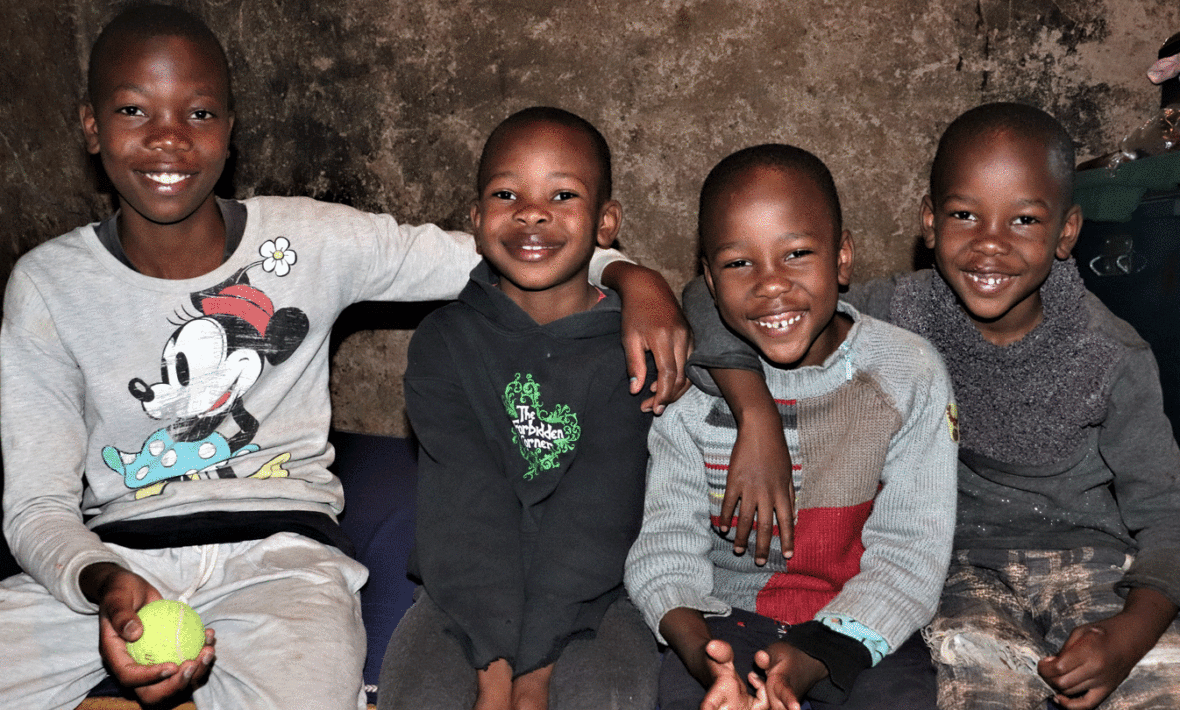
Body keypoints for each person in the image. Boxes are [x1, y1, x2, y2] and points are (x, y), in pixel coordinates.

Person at [0, 7, 689, 710]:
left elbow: (506, 250)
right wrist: (101, 580)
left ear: (230, 131)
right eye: (132, 110)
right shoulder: (48, 286)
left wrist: (633, 278)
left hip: (279, 562)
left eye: (199, 112)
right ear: (91, 125)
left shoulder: (310, 240)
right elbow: (35, 505)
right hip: (110, 562)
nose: (168, 138)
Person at [683, 103, 1180, 710]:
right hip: (955, 570)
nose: (989, 245)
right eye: (965, 215)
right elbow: (712, 298)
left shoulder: (1111, 354)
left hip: (1094, 565)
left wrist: (1132, 633)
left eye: (1024, 220)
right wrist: (755, 414)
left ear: (1067, 232)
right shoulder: (898, 315)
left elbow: (1167, 511)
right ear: (929, 221)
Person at [624, 143, 959, 710]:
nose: (771, 284)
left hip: (858, 623)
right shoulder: (688, 391)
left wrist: (813, 657)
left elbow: (910, 555)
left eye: (797, 253)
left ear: (843, 256)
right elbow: (665, 551)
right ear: (707, 278)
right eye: (738, 263)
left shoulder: (906, 373)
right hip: (721, 626)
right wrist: (707, 660)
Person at [378, 106, 662, 710]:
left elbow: (596, 519)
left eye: (563, 194)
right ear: (478, 222)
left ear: (606, 223)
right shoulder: (444, 343)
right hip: (464, 596)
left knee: (607, 696)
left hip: (601, 595)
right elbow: (465, 513)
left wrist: (533, 679)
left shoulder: (631, 349)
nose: (533, 212)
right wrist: (496, 671)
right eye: (508, 194)